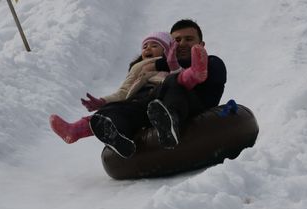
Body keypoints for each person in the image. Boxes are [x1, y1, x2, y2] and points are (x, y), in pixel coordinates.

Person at [90, 19, 227, 158]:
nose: (182, 44)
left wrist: (160, 64)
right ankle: (120, 138)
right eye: (177, 40)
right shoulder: (163, 67)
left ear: (201, 44)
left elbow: (207, 76)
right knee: (114, 108)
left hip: (192, 107)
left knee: (173, 81)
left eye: (189, 39)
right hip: (156, 108)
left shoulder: (213, 62)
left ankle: (170, 121)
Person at [49, 31, 177, 144]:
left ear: (166, 50)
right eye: (145, 46)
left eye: (154, 45)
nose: (148, 48)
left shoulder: (173, 62)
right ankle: (75, 131)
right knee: (110, 110)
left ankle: (166, 121)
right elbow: (123, 92)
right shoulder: (138, 66)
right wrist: (103, 101)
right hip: (139, 99)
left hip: (162, 94)